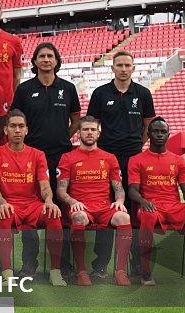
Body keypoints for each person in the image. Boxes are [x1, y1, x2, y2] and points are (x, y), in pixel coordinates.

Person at [11, 41, 80, 277]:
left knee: (61, 208)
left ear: (56, 60)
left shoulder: (68, 88)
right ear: (35, 61)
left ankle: (62, 263)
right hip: (31, 157)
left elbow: (76, 120)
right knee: (32, 206)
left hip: (61, 156)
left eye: (50, 56)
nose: (46, 60)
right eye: (41, 56)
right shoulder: (24, 89)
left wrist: (62, 137)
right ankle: (29, 262)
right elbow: (17, 119)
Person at [86, 50, 155, 274]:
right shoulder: (100, 93)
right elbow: (92, 125)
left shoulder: (143, 94)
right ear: (112, 68)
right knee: (106, 208)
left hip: (134, 158)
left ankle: (136, 262)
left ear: (134, 68)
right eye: (120, 65)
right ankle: (101, 263)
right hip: (106, 158)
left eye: (127, 65)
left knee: (134, 210)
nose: (124, 69)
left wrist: (136, 145)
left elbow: (148, 126)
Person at [128, 117, 185, 286]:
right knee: (148, 216)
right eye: (155, 131)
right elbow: (132, 190)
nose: (159, 134)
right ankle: (145, 272)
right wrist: (143, 201)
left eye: (163, 131)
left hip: (174, 207)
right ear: (148, 134)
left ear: (168, 135)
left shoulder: (178, 160)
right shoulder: (136, 159)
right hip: (151, 207)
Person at [0, 109, 64, 286]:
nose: (17, 130)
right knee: (3, 214)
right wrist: (3, 203)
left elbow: (44, 186)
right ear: (5, 130)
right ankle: (7, 273)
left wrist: (49, 201)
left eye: (21, 126)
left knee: (53, 214)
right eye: (13, 126)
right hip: (9, 204)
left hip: (32, 205)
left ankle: (55, 272)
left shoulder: (37, 154)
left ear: (27, 130)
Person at [55, 116, 133, 286]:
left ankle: (120, 271)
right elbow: (60, 190)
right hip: (81, 206)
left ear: (99, 133)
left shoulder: (110, 158)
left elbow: (118, 187)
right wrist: (72, 201)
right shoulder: (67, 157)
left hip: (105, 207)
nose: (89, 133)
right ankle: (81, 272)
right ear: (79, 133)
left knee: (124, 218)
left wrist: (120, 200)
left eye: (93, 130)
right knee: (78, 218)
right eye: (85, 129)